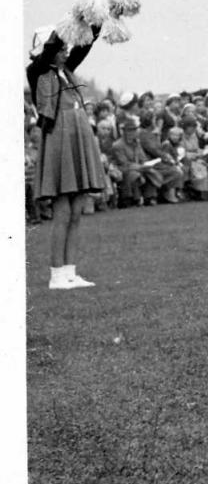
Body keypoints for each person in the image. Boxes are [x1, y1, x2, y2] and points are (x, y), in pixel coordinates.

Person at [26, 24, 107, 288]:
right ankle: (56, 275)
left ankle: (70, 272)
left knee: (75, 212)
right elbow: (49, 51)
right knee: (62, 212)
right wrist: (69, 22)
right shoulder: (37, 72)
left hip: (77, 139)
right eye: (61, 48)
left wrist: (97, 20)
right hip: (59, 140)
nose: (65, 52)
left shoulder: (67, 71)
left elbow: (84, 46)